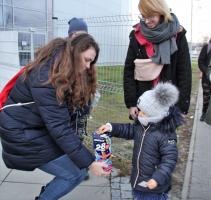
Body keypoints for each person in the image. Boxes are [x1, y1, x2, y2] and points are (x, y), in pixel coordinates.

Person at [0, 34, 110, 200]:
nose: (88, 67)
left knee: (77, 169)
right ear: (73, 52)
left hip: (36, 129)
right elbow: (59, 127)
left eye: (91, 62)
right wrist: (90, 162)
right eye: (87, 60)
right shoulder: (46, 76)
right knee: (75, 173)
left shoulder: (62, 69)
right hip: (22, 134)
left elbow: (67, 116)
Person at [98, 82, 184, 200]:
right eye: (139, 110)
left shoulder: (165, 135)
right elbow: (128, 130)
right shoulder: (142, 127)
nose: (139, 113)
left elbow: (169, 160)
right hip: (139, 182)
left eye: (143, 112)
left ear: (155, 114)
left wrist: (157, 178)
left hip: (155, 188)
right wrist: (111, 127)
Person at [124, 0, 192, 120]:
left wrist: (181, 107)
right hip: (144, 102)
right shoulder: (136, 36)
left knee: (166, 137)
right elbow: (129, 71)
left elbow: (184, 73)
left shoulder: (178, 35)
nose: (146, 21)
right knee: (143, 137)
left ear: (161, 12)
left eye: (150, 16)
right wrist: (132, 103)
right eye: (143, 16)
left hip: (169, 104)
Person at [198, 38, 211, 121]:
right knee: (206, 96)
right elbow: (200, 61)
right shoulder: (206, 47)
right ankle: (204, 113)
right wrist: (206, 71)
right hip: (207, 77)